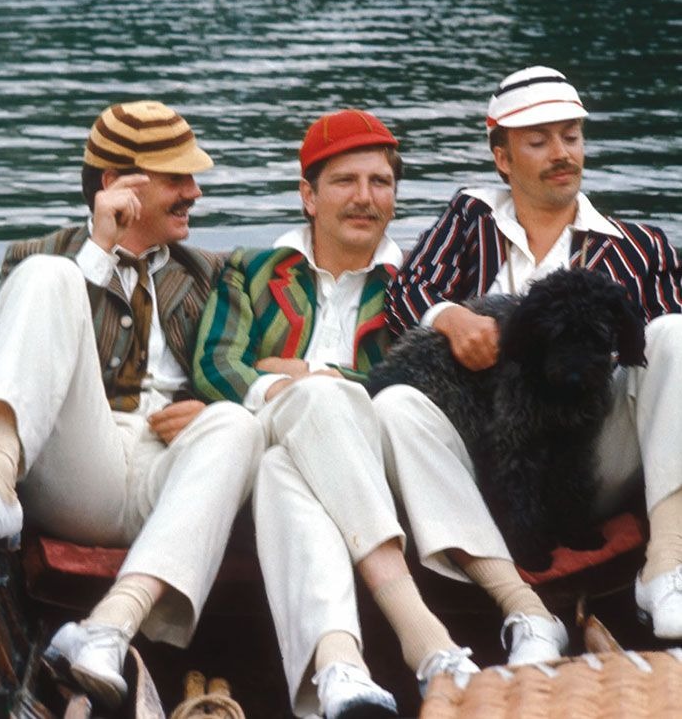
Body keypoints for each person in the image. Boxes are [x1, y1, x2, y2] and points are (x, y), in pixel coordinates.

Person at [0, 101, 265, 707]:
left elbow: (236, 362)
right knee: (48, 277)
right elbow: (29, 358)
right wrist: (98, 252)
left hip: (170, 479)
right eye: (177, 178)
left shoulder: (213, 274)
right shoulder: (35, 258)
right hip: (77, 472)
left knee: (238, 424)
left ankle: (107, 630)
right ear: (118, 184)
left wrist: (210, 404)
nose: (194, 192)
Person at [381, 66, 682, 647]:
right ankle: (518, 607)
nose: (561, 153)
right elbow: (406, 293)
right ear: (503, 158)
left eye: (571, 136)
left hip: (593, 454)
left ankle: (667, 566)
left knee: (675, 333)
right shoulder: (470, 218)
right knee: (394, 405)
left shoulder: (638, 245)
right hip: (483, 468)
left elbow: (671, 372)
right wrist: (452, 318)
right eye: (539, 141)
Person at [194, 110, 478, 719]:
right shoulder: (250, 270)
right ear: (309, 195)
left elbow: (417, 386)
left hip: (368, 471)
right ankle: (423, 642)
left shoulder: (414, 291)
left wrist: (314, 378)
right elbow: (215, 363)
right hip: (265, 442)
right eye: (346, 181)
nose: (364, 197)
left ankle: (340, 671)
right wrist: (292, 392)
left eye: (380, 182)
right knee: (292, 439)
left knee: (288, 461)